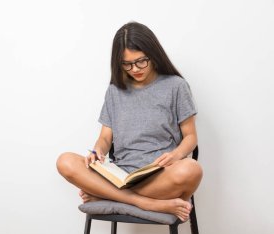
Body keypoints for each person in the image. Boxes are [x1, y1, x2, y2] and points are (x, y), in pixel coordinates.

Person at [56, 21, 203, 222]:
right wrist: (98, 151)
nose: (135, 69)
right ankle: (145, 203)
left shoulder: (176, 86)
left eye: (141, 61)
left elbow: (190, 137)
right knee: (65, 161)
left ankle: (107, 197)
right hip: (118, 176)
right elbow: (105, 138)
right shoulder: (115, 91)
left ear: (153, 54)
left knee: (192, 169)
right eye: (127, 64)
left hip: (157, 175)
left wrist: (176, 155)